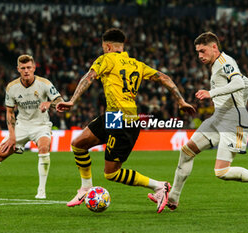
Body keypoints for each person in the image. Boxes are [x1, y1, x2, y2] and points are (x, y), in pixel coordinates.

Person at [56, 28, 195, 213]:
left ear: (107, 46)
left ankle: (159, 186)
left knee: (111, 173)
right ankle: (85, 188)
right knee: (79, 144)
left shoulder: (106, 59)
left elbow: (89, 77)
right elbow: (164, 78)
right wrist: (181, 101)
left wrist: (72, 100)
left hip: (124, 119)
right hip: (115, 115)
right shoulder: (136, 64)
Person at [149, 32, 248, 210]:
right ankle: (173, 197)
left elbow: (239, 83)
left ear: (214, 47)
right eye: (197, 52)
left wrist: (212, 94)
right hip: (220, 117)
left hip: (233, 121)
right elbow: (247, 82)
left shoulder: (224, 63)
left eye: (202, 51)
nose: (200, 56)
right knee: (187, 152)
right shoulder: (218, 64)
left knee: (221, 172)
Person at [0, 54, 63, 199]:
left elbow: (60, 101)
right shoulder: (12, 87)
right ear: (18, 69)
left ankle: (41, 191)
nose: (26, 71)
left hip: (41, 125)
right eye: (23, 68)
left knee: (44, 147)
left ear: (34, 68)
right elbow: (9, 113)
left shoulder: (45, 84)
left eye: (29, 67)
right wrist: (12, 136)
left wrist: (49, 103)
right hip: (21, 126)